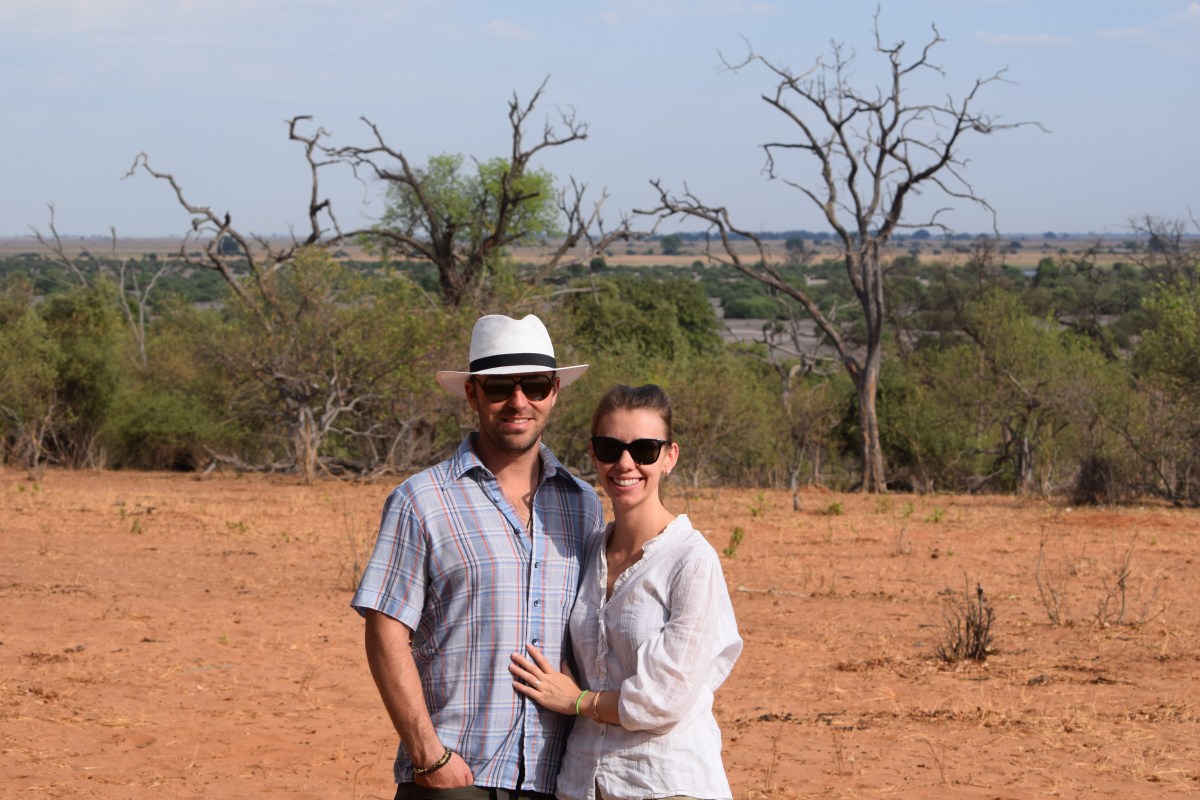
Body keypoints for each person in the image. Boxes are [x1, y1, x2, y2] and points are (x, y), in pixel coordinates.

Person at [351, 313, 604, 800]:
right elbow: (385, 630)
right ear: (472, 394)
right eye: (499, 387)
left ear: (554, 391)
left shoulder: (584, 505)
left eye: (534, 385)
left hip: (557, 778)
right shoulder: (421, 500)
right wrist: (430, 756)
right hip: (456, 776)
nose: (518, 402)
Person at [509, 384, 743, 800]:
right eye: (609, 448)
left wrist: (579, 702)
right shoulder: (588, 549)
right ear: (593, 454)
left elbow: (663, 699)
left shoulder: (691, 560)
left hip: (665, 782)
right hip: (582, 782)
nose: (625, 463)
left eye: (644, 450)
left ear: (670, 457)